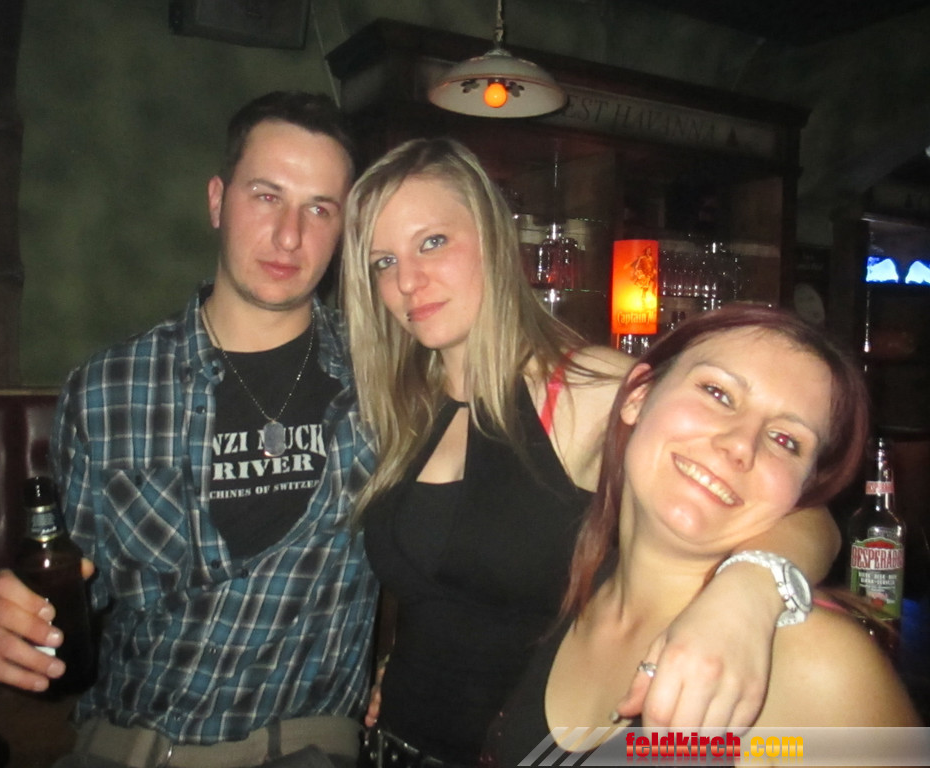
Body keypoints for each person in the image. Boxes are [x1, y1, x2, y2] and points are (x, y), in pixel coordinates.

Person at [339, 137, 844, 767]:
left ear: (494, 238)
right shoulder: (408, 401)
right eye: (383, 261)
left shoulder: (583, 387)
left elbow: (807, 514)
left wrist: (748, 596)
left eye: (433, 242)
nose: (408, 281)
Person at [0, 91, 378, 768]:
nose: (290, 236)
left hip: (300, 748)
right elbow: (72, 600)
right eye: (266, 196)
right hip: (124, 747)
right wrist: (7, 621)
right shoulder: (106, 390)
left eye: (319, 208)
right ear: (217, 201)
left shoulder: (385, 384)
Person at [487, 305, 921, 766]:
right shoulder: (580, 586)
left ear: (802, 491)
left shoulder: (816, 661)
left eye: (785, 440)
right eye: (718, 393)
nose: (740, 445)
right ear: (638, 396)